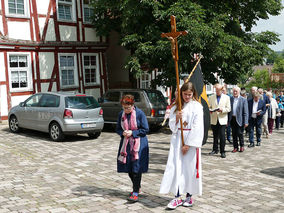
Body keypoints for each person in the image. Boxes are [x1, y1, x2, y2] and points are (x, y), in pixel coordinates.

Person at [160, 82, 203, 210]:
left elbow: (198, 127)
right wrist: (176, 118)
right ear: (181, 93)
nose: (187, 97)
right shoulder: (176, 106)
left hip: (190, 141)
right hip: (178, 139)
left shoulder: (197, 106)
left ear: (193, 93)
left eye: (190, 94)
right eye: (185, 94)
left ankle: (189, 195)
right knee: (176, 167)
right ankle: (177, 196)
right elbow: (172, 127)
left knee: (189, 169)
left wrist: (188, 144)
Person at [116, 95, 149, 202]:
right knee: (128, 168)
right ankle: (137, 186)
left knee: (136, 168)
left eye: (128, 107)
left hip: (139, 144)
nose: (126, 110)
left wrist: (133, 132)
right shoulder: (121, 114)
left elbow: (145, 129)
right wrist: (123, 133)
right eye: (124, 108)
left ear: (133, 105)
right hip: (126, 144)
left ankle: (135, 192)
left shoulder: (140, 114)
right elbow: (117, 129)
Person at [208, 84, 231, 158]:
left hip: (222, 119)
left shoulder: (226, 97)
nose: (217, 92)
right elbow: (209, 106)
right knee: (215, 136)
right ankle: (215, 149)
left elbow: (229, 108)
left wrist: (222, 110)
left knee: (222, 136)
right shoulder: (211, 97)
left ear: (222, 90)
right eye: (216, 90)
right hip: (214, 119)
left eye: (218, 90)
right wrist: (210, 110)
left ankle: (222, 151)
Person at [228, 87, 249, 153]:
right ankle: (235, 147)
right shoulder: (230, 99)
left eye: (236, 91)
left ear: (239, 92)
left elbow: (246, 112)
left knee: (240, 133)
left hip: (240, 119)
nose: (234, 92)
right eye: (234, 91)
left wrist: (246, 121)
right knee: (234, 134)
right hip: (232, 119)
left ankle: (242, 146)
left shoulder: (243, 100)